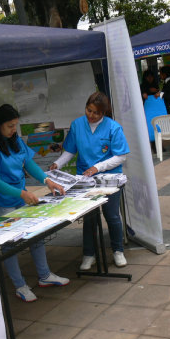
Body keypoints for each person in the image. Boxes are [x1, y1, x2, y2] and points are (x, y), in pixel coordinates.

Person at [0, 104, 68, 302]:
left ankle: (45, 275)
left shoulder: (15, 140)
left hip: (20, 196)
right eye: (10, 126)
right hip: (0, 202)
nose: (13, 130)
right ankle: (20, 285)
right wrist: (22, 194)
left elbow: (29, 163)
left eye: (15, 126)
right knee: (10, 244)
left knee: (35, 234)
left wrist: (47, 180)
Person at [50, 91, 130, 270]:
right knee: (89, 218)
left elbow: (121, 156)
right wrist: (57, 164)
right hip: (84, 179)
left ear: (104, 113)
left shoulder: (113, 127)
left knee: (112, 215)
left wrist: (98, 167)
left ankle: (118, 250)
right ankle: (89, 254)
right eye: (89, 110)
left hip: (108, 178)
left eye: (96, 113)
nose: (91, 116)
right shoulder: (77, 125)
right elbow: (70, 150)